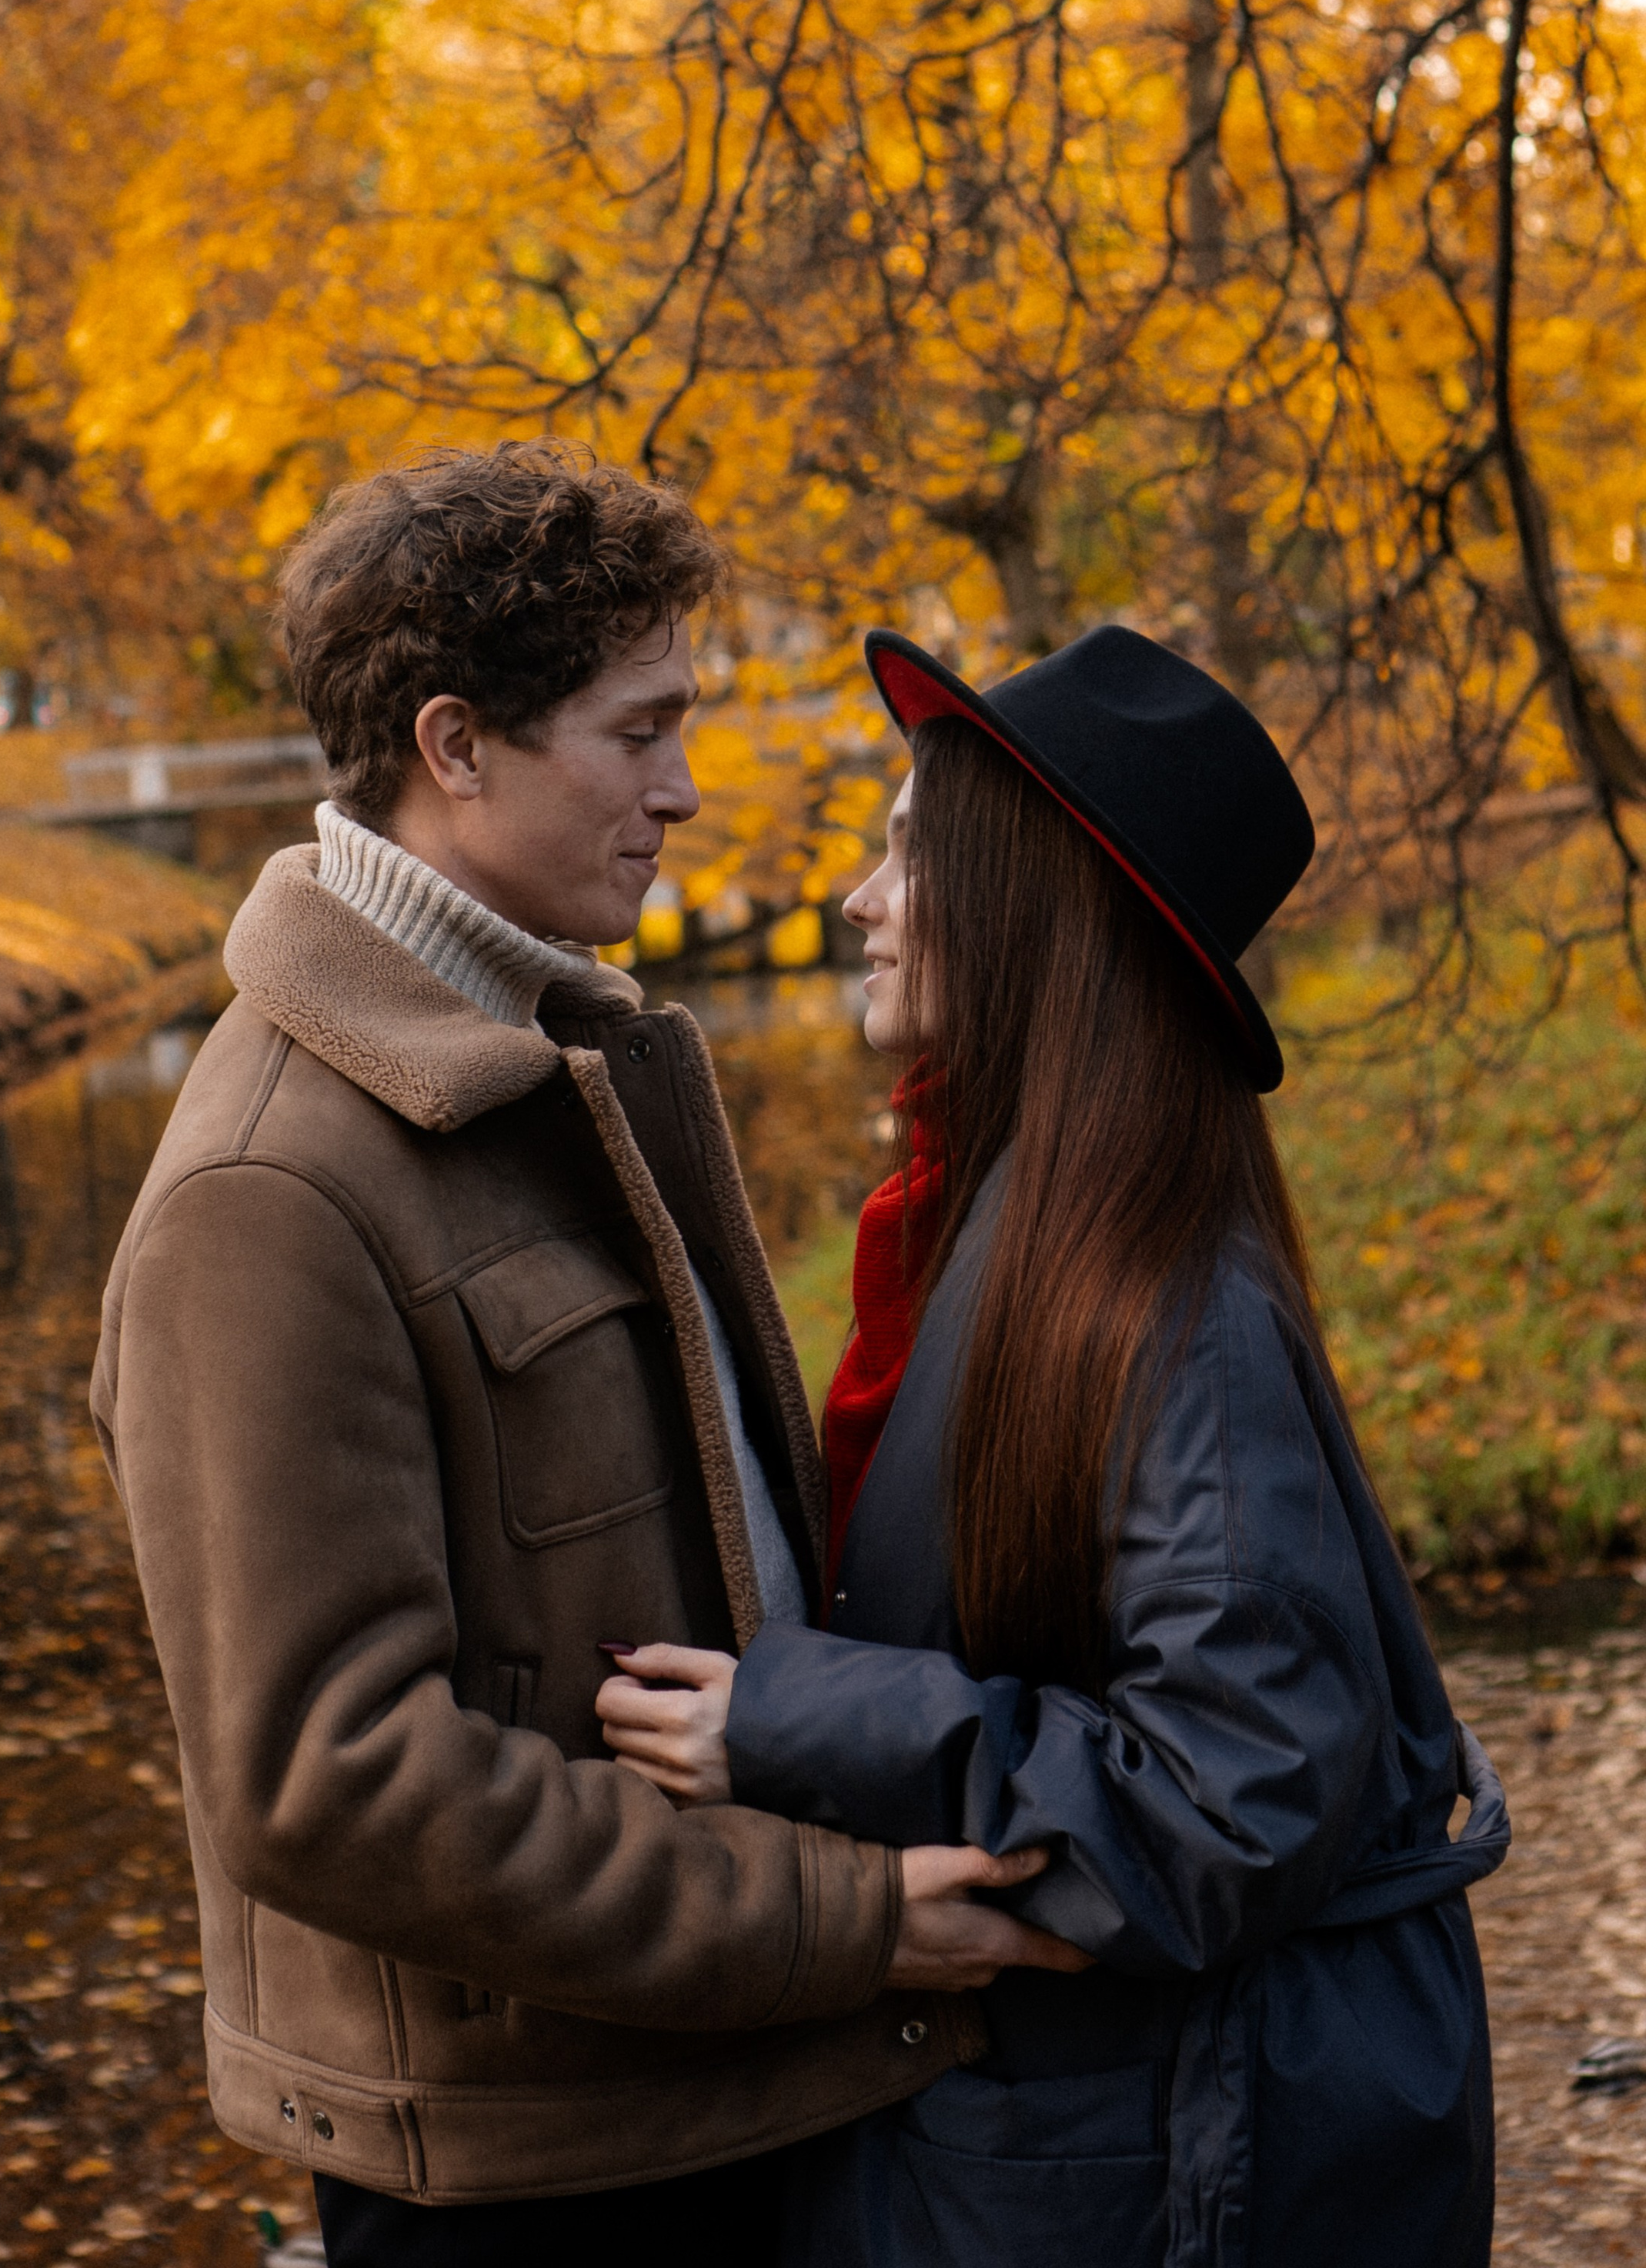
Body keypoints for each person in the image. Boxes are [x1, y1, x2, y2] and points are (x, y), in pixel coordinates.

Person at [90, 449, 1077, 2268]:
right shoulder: (268, 1191)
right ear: (453, 748)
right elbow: (331, 1779)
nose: (685, 793)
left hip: (715, 2098)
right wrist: (843, 1920)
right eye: (636, 736)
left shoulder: (550, 1046)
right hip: (540, 2182)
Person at [596, 623, 1507, 2268]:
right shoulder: (1007, 1231)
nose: (862, 902)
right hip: (1062, 2147)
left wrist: (797, 1722)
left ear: (1031, 901)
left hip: (1156, 2179)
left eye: (903, 855)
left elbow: (1230, 1793)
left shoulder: (1163, 1305)